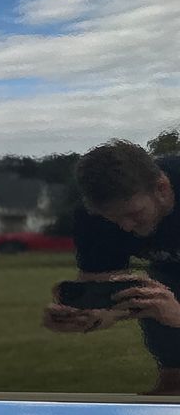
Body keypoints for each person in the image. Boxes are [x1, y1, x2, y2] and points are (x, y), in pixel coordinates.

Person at [41, 139, 180, 394]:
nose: (125, 227)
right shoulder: (94, 218)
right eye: (113, 219)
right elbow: (103, 289)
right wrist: (93, 315)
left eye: (134, 214)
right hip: (168, 268)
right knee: (151, 296)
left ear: (161, 188)